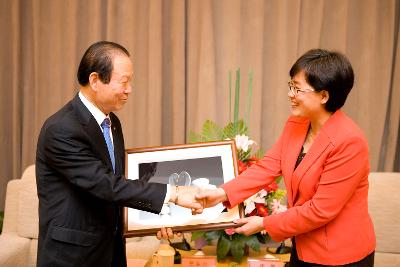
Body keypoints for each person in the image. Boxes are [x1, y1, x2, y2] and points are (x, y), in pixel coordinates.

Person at [194, 49, 376, 266]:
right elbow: (267, 167)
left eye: (297, 89)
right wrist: (221, 193)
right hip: (302, 246)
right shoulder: (297, 124)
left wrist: (264, 223)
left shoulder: (350, 142)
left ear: (324, 96)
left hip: (339, 256)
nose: (290, 93)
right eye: (291, 86)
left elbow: (320, 211)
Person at [35, 41, 201, 267]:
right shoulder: (61, 129)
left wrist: (158, 217)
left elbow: (119, 186)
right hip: (73, 256)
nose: (129, 89)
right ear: (95, 80)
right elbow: (105, 185)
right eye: (124, 81)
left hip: (110, 250)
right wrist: (173, 194)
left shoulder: (111, 122)